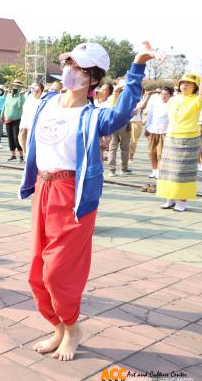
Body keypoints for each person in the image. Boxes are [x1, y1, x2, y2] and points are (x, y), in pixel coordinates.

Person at [20, 42, 155, 361]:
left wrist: (137, 67)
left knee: (58, 271)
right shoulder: (48, 102)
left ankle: (72, 327)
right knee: (37, 273)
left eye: (78, 68)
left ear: (93, 78)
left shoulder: (94, 116)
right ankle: (58, 327)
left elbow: (123, 112)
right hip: (43, 188)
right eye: (69, 64)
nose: (69, 71)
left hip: (73, 195)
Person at [156, 73, 202, 212]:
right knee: (168, 170)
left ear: (195, 87)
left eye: (189, 83)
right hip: (171, 137)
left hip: (188, 139)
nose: (185, 85)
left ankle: (182, 201)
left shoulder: (196, 100)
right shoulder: (173, 99)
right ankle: (169, 198)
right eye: (183, 82)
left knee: (183, 171)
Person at [141, 88, 171, 178]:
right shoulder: (155, 104)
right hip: (152, 130)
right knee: (151, 152)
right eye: (162, 94)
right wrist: (146, 127)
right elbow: (150, 117)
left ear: (170, 95)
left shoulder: (171, 105)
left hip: (164, 131)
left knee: (160, 153)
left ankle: (160, 171)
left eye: (166, 94)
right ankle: (154, 170)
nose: (163, 96)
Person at [107, 78, 132, 176]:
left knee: (112, 147)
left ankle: (111, 170)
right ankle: (123, 168)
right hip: (124, 123)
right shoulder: (127, 97)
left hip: (113, 123)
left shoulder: (111, 97)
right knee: (124, 147)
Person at [1, 80, 26, 162]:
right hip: (8, 119)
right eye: (15, 86)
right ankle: (13, 155)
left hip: (17, 119)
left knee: (16, 138)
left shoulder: (22, 96)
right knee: (10, 138)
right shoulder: (8, 95)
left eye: (18, 86)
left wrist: (21, 96)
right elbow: (4, 106)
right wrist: (2, 116)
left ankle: (21, 156)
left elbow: (20, 106)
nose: (16, 87)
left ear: (21, 88)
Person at [19, 83, 44, 157]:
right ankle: (26, 154)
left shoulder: (42, 102)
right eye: (33, 90)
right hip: (25, 125)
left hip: (36, 128)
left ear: (41, 92)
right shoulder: (28, 99)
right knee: (23, 138)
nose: (35, 93)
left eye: (37, 91)